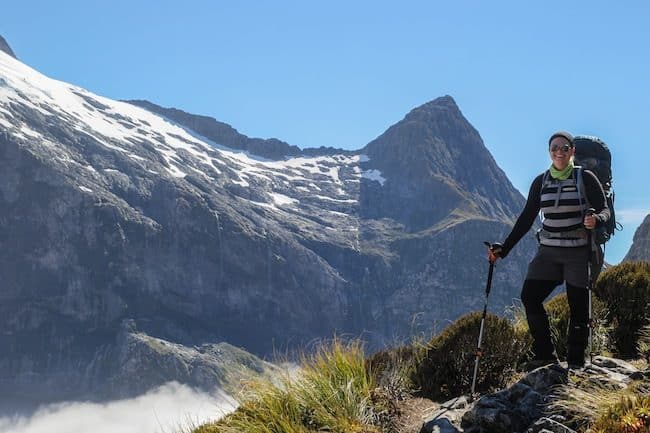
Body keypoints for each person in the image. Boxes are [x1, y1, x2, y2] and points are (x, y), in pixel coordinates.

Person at [488, 131, 610, 370]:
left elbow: (605, 209)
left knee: (578, 308)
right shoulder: (541, 181)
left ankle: (575, 363)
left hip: (577, 252)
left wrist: (596, 219)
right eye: (554, 147)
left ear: (572, 151)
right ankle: (545, 354)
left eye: (564, 148)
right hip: (548, 253)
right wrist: (505, 248)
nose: (559, 151)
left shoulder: (585, 177)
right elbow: (526, 218)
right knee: (530, 297)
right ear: (549, 151)